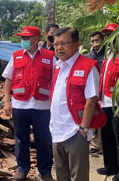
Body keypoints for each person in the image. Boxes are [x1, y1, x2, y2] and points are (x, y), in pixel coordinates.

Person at [49, 27, 106, 181]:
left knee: (78, 175)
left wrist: (83, 129)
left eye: (64, 43)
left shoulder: (87, 66)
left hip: (75, 131)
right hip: (57, 130)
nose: (59, 48)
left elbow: (91, 100)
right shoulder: (58, 66)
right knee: (62, 174)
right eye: (56, 44)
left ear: (77, 44)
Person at [3, 26, 55, 181]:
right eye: (22, 38)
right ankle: (22, 169)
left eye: (27, 38)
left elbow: (56, 80)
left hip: (42, 106)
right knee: (21, 139)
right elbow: (8, 79)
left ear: (36, 39)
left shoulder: (50, 56)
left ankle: (45, 171)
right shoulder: (16, 56)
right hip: (20, 105)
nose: (23, 41)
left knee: (44, 140)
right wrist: (7, 102)